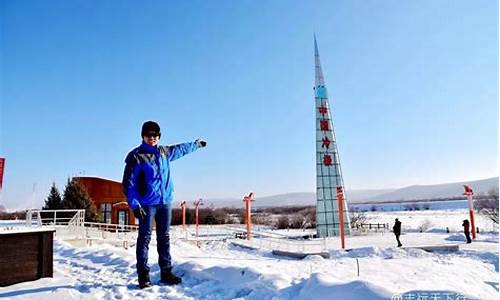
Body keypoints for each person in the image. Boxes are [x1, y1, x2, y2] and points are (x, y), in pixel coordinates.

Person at [122, 121, 206, 288]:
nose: (152, 138)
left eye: (155, 135)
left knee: (164, 238)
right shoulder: (136, 156)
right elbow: (128, 184)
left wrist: (196, 144)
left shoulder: (164, 152)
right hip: (146, 204)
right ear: (143, 136)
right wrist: (134, 204)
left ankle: (166, 272)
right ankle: (143, 276)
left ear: (159, 136)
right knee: (144, 238)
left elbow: (181, 149)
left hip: (165, 202)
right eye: (148, 135)